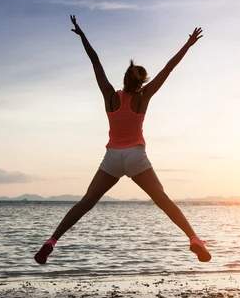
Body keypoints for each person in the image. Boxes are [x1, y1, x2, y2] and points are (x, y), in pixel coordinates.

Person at [34, 15, 211, 264]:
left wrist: (83, 36)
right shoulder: (144, 96)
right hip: (136, 157)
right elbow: (169, 68)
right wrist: (189, 44)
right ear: (142, 81)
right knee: (162, 200)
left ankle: (51, 242)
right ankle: (193, 239)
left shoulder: (109, 96)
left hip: (113, 158)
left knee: (86, 203)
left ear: (125, 78)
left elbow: (95, 61)